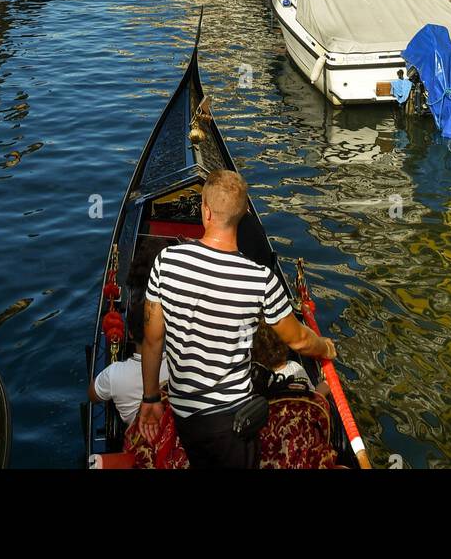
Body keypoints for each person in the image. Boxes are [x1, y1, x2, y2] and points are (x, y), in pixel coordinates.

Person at [138, 169, 335, 470]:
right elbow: (298, 340)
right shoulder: (260, 280)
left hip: (184, 411)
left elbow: (152, 340)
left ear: (205, 210)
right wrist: (325, 347)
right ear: (244, 214)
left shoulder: (166, 263)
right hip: (232, 418)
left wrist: (151, 398)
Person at [88, 297, 168, 427]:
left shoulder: (113, 374)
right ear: (163, 330)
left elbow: (92, 395)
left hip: (137, 439)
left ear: (130, 334)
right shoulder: (180, 364)